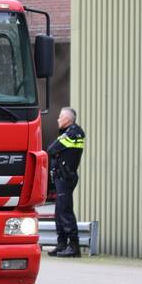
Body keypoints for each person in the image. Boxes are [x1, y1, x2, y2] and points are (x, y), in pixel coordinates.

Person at [47, 107, 86, 258]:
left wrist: (57, 153)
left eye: (60, 117)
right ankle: (62, 244)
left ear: (67, 119)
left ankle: (74, 247)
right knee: (59, 211)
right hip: (61, 177)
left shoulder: (73, 133)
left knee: (65, 211)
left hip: (66, 177)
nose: (57, 119)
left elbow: (51, 149)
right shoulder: (68, 133)